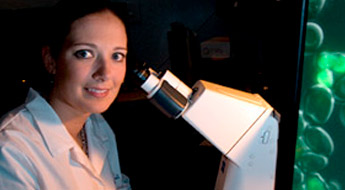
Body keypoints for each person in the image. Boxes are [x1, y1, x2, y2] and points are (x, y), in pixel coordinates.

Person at [0, 0, 131, 189]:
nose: (105, 73)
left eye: (117, 56)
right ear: (51, 60)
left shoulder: (96, 126)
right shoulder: (11, 150)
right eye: (85, 53)